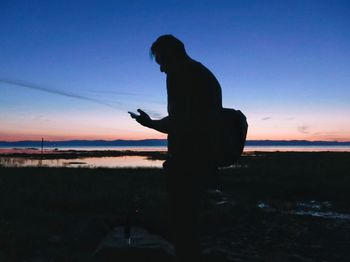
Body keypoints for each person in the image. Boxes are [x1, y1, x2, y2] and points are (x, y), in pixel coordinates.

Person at [129, 34, 222, 260]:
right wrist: (152, 123)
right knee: (189, 219)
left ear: (173, 53)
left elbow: (180, 122)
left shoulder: (181, 75)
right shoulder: (200, 73)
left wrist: (151, 124)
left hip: (188, 160)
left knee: (183, 221)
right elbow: (185, 120)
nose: (161, 69)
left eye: (162, 62)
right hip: (203, 158)